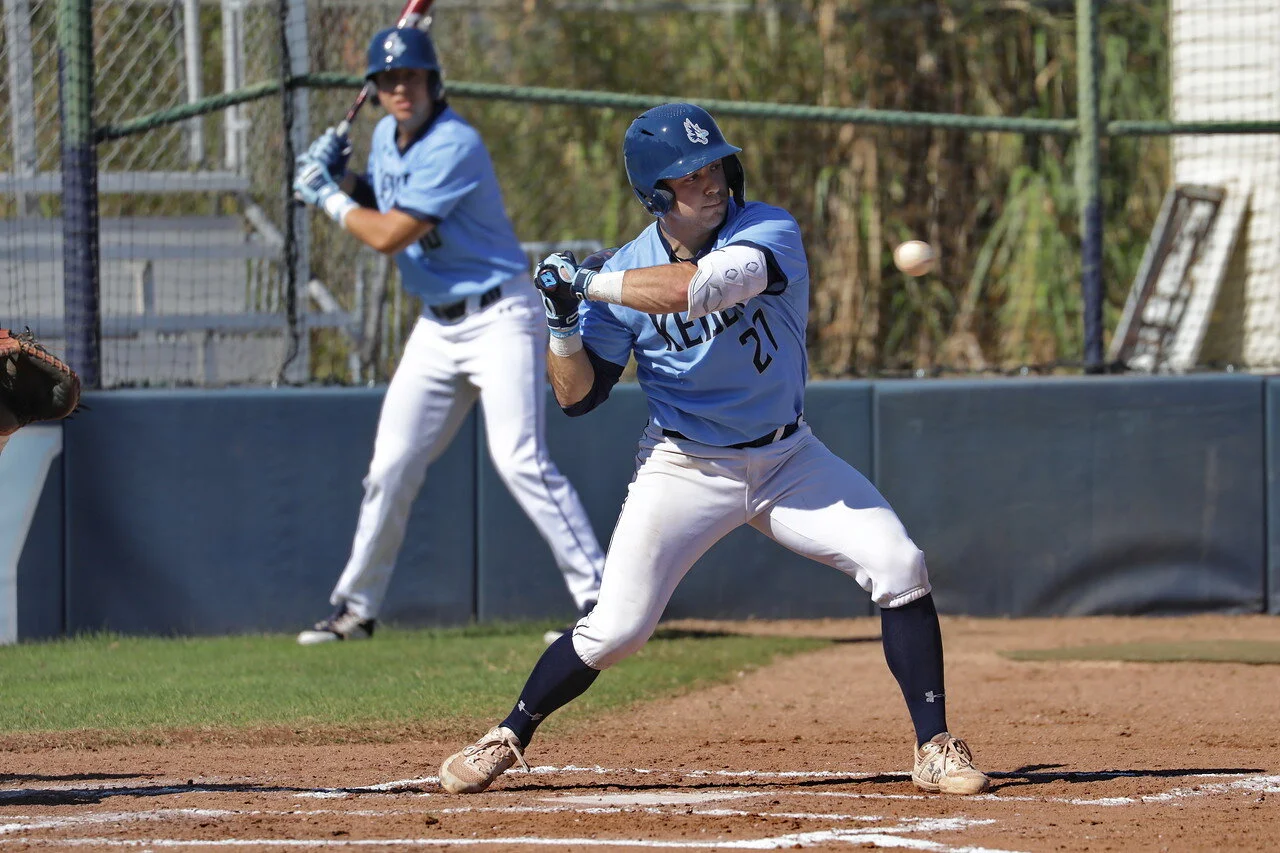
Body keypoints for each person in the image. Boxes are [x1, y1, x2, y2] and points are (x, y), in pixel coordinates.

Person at [437, 103, 990, 796]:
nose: (708, 180)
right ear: (654, 192)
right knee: (616, 632)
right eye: (686, 174)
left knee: (899, 562)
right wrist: (562, 324)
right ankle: (507, 733)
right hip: (686, 465)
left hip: (789, 459)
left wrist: (585, 281)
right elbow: (577, 397)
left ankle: (934, 746)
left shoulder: (767, 229)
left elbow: (698, 289)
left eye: (712, 164)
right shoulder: (624, 273)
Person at [290, 26, 603, 646]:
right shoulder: (383, 135)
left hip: (501, 315)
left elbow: (389, 235)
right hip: (437, 323)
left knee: (519, 460)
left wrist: (326, 196)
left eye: (410, 77)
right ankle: (357, 609)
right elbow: (385, 201)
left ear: (434, 83)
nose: (400, 89)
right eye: (388, 81)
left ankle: (601, 598)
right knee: (390, 466)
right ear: (376, 92)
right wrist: (346, 180)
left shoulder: (457, 143)